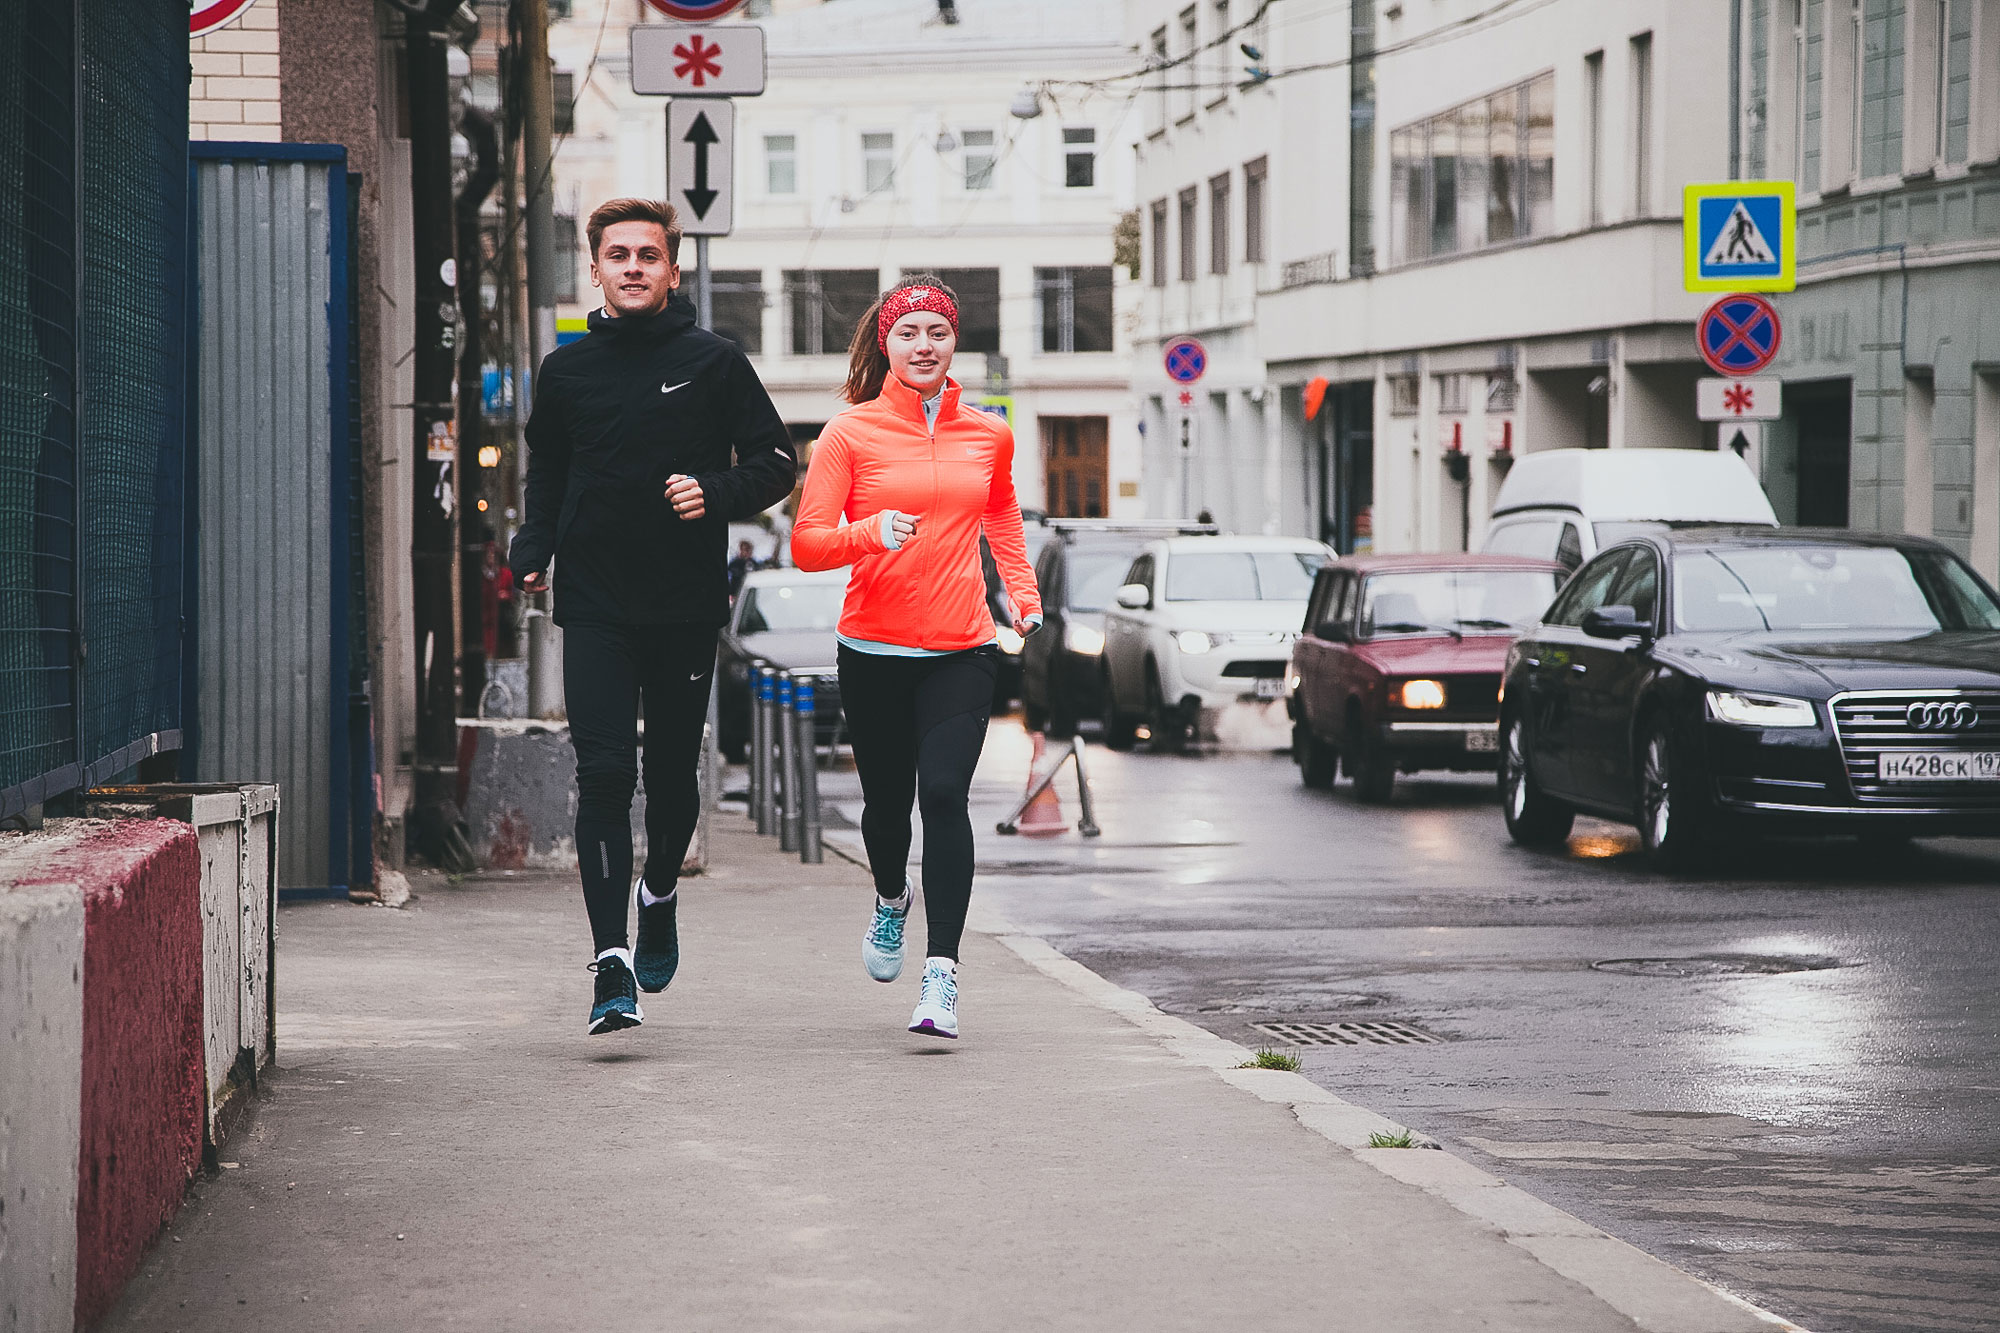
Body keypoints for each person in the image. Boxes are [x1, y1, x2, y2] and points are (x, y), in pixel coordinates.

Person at [509, 198, 796, 1035]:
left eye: (648, 255)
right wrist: (532, 545)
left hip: (682, 603)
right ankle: (610, 964)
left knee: (671, 777)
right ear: (593, 268)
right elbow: (547, 473)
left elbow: (777, 460)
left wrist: (715, 492)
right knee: (603, 775)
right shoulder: (564, 372)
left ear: (672, 269)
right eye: (617, 254)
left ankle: (659, 891)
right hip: (594, 599)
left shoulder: (713, 361)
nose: (633, 266)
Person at [791, 277, 1042, 1040]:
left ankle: (942, 976)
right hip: (872, 647)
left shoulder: (988, 432)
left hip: (961, 646)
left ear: (953, 340)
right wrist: (872, 533)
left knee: (944, 794)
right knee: (887, 806)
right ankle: (890, 897)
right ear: (887, 344)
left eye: (937, 331)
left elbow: (999, 509)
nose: (924, 345)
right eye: (909, 333)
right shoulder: (850, 433)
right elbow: (807, 544)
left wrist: (1022, 595)